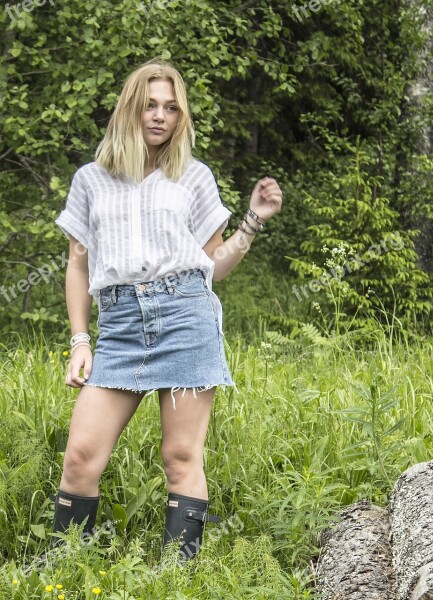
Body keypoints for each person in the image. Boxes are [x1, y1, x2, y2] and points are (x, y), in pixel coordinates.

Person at [52, 58, 282, 560]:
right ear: (130, 110)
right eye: (150, 105)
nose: (159, 116)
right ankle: (66, 572)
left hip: (185, 317)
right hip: (118, 326)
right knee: (81, 458)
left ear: (181, 118)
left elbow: (213, 268)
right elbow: (77, 265)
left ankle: (178, 579)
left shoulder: (193, 178)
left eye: (171, 108)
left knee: (180, 456)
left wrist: (252, 223)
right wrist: (80, 340)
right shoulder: (91, 180)